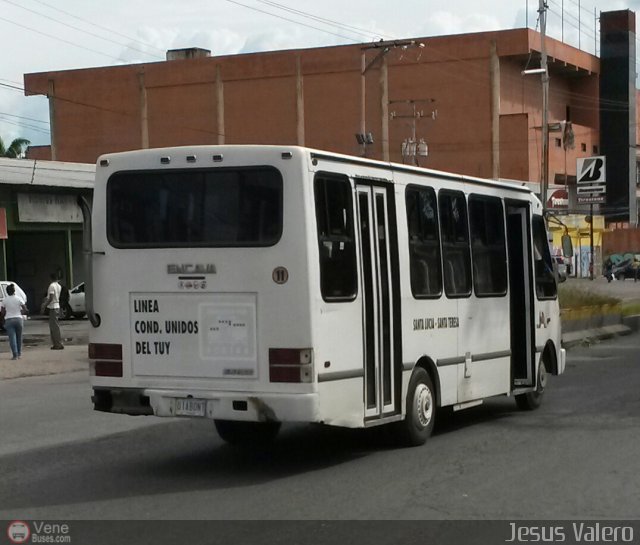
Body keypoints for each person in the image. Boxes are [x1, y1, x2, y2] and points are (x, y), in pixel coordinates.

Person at [0, 283, 28, 359]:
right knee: (19, 337)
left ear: (7, 292)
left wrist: (2, 319)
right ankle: (19, 353)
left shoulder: (4, 300)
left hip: (9, 320)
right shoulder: (19, 299)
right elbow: (25, 309)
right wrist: (20, 312)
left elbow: (2, 312)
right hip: (18, 319)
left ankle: (15, 355)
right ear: (14, 291)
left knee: (12, 338)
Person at [45, 273, 64, 350]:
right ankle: (57, 343)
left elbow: (51, 298)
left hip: (53, 307)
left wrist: (45, 305)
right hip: (57, 305)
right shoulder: (59, 286)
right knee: (55, 326)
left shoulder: (52, 286)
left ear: (51, 278)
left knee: (54, 327)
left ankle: (57, 344)